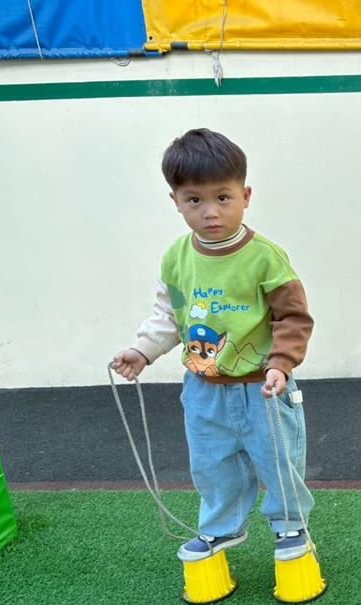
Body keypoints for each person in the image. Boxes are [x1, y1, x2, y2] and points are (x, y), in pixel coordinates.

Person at [112, 128, 317, 566]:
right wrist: (142, 351)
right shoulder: (176, 258)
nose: (210, 212)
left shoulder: (265, 257)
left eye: (223, 198)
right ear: (175, 201)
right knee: (212, 465)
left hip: (264, 387)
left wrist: (281, 363)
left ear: (246, 195)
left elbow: (293, 317)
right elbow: (170, 314)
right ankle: (221, 528)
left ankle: (290, 525)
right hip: (203, 390)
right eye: (194, 200)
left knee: (279, 461)